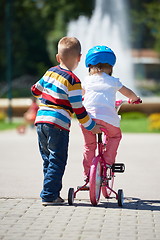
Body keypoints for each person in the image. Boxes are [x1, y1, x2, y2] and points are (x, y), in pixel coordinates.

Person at [31, 37, 102, 206]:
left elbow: (35, 90)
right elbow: (79, 110)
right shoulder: (73, 81)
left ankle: (51, 192)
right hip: (58, 124)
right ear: (79, 58)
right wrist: (92, 127)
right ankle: (49, 195)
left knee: (48, 159)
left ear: (58, 57)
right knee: (57, 159)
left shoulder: (50, 72)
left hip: (41, 121)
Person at [81, 45, 142, 179]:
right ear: (111, 67)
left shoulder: (87, 80)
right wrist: (135, 99)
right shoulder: (113, 81)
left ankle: (88, 175)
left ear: (90, 66)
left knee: (89, 146)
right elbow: (128, 93)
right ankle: (108, 164)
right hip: (108, 118)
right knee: (115, 136)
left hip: (88, 119)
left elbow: (81, 95)